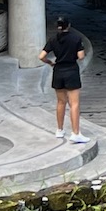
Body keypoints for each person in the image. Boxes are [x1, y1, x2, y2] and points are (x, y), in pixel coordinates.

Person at [40, 15, 88, 143]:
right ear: (69, 25)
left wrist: (50, 62)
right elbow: (81, 56)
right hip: (71, 70)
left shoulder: (53, 39)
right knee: (74, 104)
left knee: (61, 102)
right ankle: (75, 133)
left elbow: (41, 56)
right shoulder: (76, 38)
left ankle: (60, 130)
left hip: (58, 71)